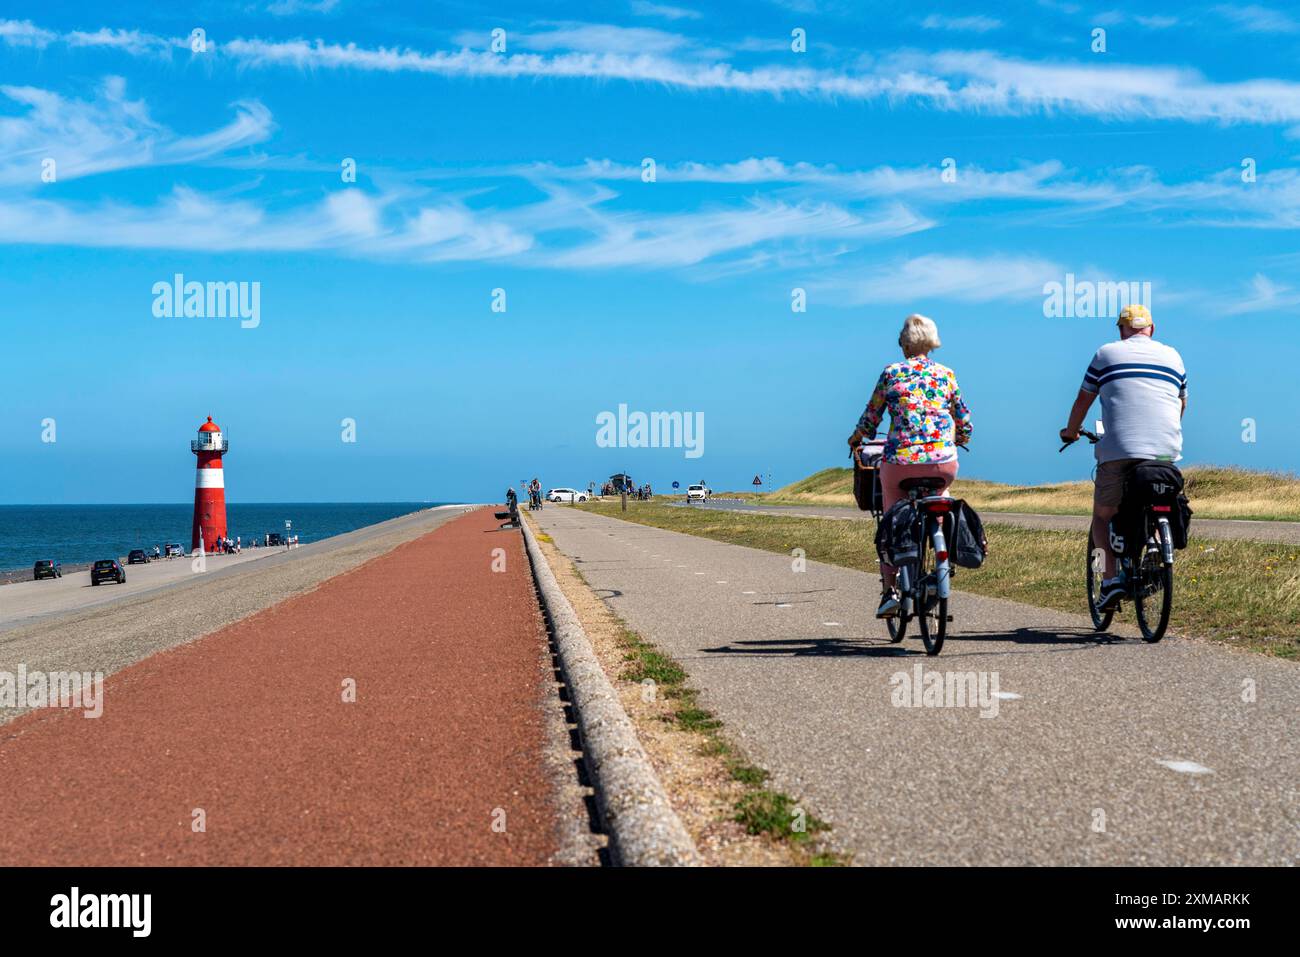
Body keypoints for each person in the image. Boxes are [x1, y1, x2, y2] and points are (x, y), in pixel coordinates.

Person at [1059, 303, 1186, 611]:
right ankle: (1157, 542)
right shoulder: (1174, 356)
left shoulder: (1106, 354)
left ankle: (1110, 580)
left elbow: (1083, 400)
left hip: (1118, 450)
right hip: (1163, 449)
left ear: (1121, 330)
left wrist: (1071, 431)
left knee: (1102, 516)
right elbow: (1181, 404)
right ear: (1152, 330)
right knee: (1162, 502)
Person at [847, 313, 972, 618]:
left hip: (900, 461)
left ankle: (890, 591)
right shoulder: (946, 374)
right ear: (932, 342)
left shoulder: (891, 373)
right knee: (939, 506)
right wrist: (963, 437)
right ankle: (938, 561)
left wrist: (856, 438)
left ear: (904, 343)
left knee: (891, 521)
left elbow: (871, 417)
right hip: (942, 461)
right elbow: (963, 418)